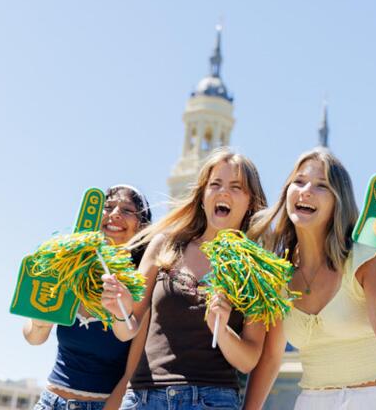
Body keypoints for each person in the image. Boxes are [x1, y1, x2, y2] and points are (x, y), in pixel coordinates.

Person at [243, 148, 376, 410]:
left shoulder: (363, 259)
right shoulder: (277, 274)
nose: (306, 190)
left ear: (338, 201)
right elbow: (271, 358)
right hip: (311, 402)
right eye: (298, 182)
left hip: (374, 401)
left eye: (321, 185)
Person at [101, 147, 268, 410]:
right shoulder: (164, 245)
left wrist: (221, 331)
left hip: (212, 401)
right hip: (145, 399)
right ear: (203, 196)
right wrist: (119, 309)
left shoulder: (256, 268)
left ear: (251, 202)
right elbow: (126, 330)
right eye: (215, 184)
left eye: (236, 187)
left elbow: (248, 360)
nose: (223, 192)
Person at [26, 185, 153, 410]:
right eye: (108, 207)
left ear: (141, 227)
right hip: (49, 402)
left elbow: (131, 375)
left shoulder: (142, 285)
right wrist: (39, 321)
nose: (114, 214)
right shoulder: (69, 266)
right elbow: (33, 337)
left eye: (126, 210)